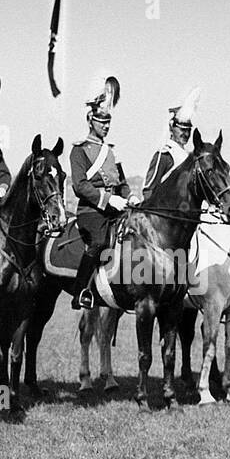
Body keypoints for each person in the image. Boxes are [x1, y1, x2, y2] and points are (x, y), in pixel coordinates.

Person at [70, 76, 128, 310]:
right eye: (101, 121)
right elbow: (80, 185)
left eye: (108, 121)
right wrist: (107, 199)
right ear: (90, 120)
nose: (105, 125)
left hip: (115, 208)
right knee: (99, 242)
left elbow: (121, 181)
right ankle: (80, 291)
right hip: (91, 211)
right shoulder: (79, 149)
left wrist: (129, 196)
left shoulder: (112, 150)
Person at [141, 87, 199, 196]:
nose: (186, 134)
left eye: (188, 130)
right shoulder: (164, 155)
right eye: (182, 129)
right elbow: (148, 190)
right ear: (172, 128)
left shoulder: (189, 156)